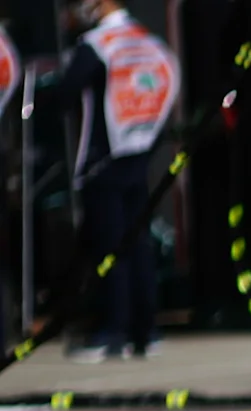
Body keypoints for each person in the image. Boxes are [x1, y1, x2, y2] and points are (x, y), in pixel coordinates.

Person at [53, 0, 179, 360]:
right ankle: (145, 330)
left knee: (108, 248)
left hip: (102, 159)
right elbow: (169, 86)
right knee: (137, 243)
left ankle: (112, 331)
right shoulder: (149, 42)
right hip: (139, 154)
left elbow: (65, 94)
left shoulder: (97, 44)